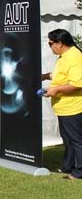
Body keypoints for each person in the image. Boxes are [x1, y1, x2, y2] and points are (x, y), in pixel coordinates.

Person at [42, 29, 82, 180]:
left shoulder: (75, 57)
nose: (49, 46)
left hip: (73, 107)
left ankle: (79, 172)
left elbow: (77, 84)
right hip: (64, 107)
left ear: (59, 43)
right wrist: (45, 76)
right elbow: (62, 74)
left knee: (77, 141)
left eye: (50, 43)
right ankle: (68, 167)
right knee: (68, 140)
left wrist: (56, 89)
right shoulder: (64, 56)